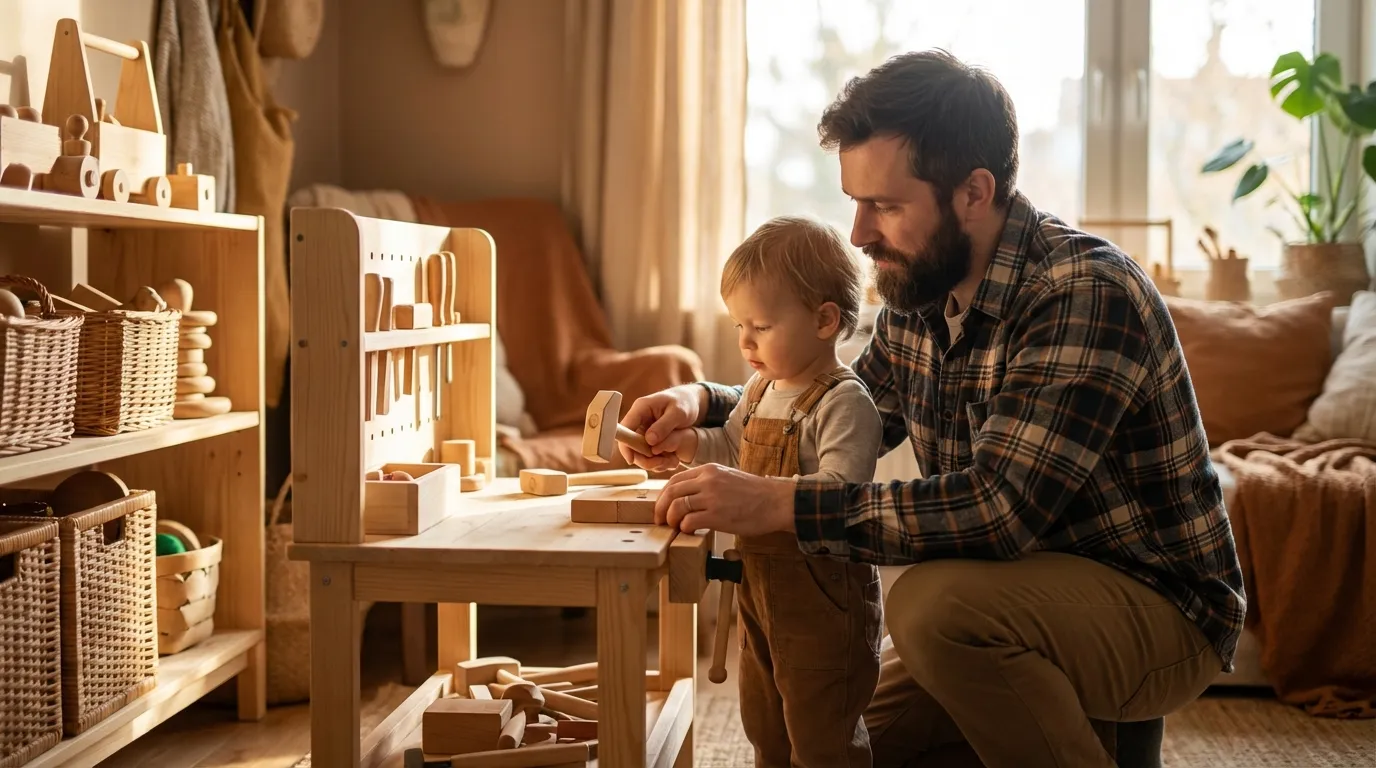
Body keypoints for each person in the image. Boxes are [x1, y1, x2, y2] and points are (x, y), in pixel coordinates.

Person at [619, 49, 1246, 768]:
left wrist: (780, 505)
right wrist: (698, 407)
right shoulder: (921, 288)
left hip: (1153, 606)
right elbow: (844, 403)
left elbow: (998, 510)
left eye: (884, 205)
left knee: (929, 609)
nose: (858, 234)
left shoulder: (1082, 292)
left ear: (974, 192)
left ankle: (1109, 726)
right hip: (1007, 595)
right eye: (855, 201)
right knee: (828, 741)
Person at [655, 215, 885, 767]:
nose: (745, 342)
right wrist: (686, 444)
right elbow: (733, 451)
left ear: (825, 320)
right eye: (738, 326)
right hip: (757, 588)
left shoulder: (843, 402)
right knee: (764, 719)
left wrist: (756, 492)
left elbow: (841, 496)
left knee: (821, 728)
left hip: (820, 597)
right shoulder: (760, 389)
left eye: (759, 325)